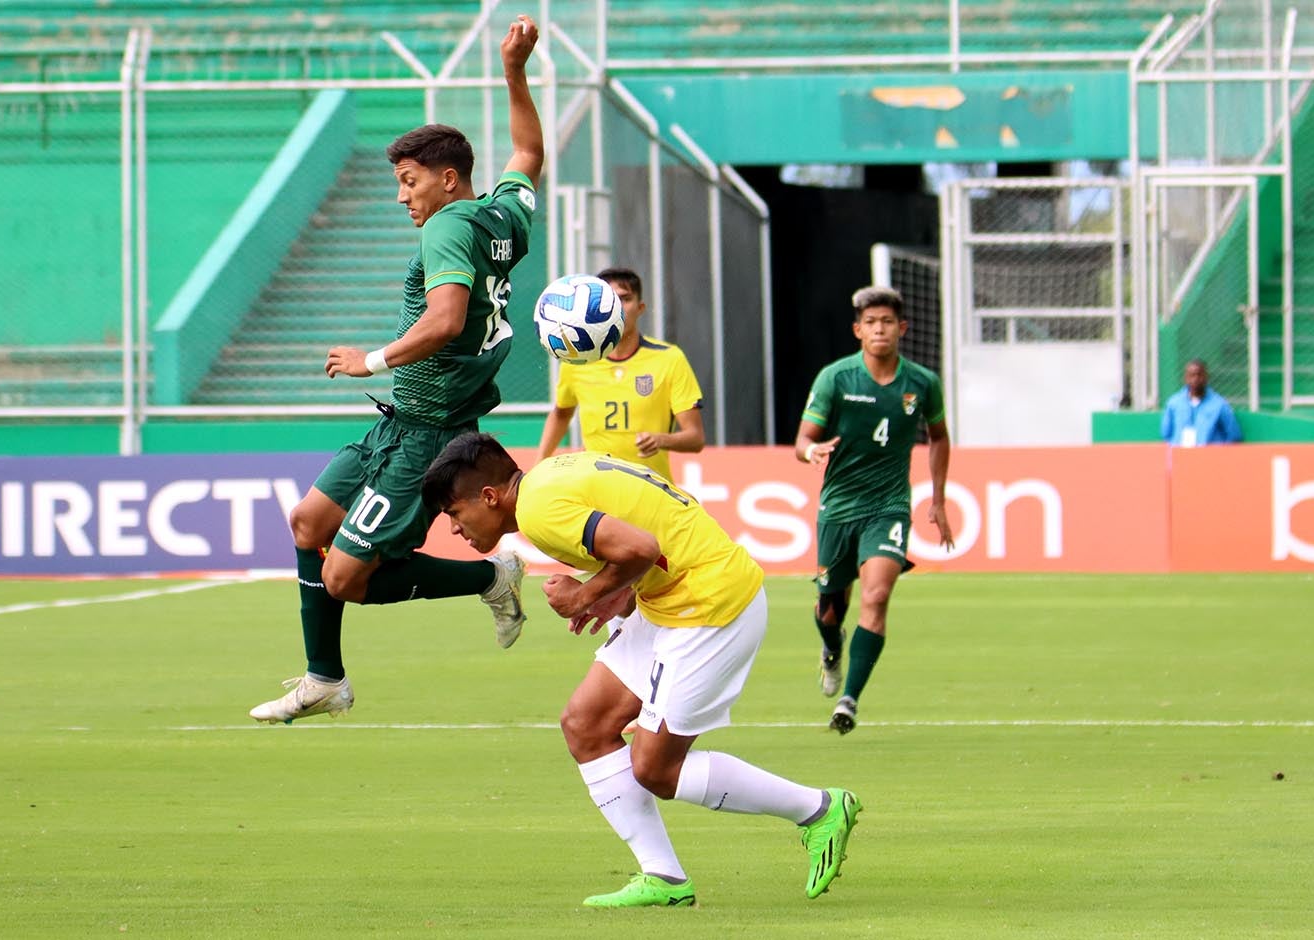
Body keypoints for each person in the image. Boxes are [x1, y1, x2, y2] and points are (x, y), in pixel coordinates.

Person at [249, 15, 544, 725]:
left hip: (427, 432)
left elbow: (444, 320)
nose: (401, 196)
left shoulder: (446, 226)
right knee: (307, 520)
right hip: (404, 421)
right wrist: (513, 68)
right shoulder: (502, 215)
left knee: (345, 577)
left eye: (409, 181)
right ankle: (324, 679)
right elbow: (529, 151)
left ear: (447, 180)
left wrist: (367, 361)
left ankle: (490, 574)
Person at [423, 432, 861, 908]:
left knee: (655, 767)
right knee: (586, 724)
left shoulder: (539, 510)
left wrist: (584, 595)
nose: (453, 529)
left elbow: (642, 546)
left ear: (489, 497)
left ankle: (818, 809)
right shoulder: (549, 476)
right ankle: (664, 878)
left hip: (709, 604)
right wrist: (620, 593)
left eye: (454, 513)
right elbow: (651, 530)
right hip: (669, 598)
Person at [795, 285, 954, 735]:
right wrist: (812, 453)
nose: (879, 329)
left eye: (887, 322)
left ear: (901, 328)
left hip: (889, 507)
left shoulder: (922, 383)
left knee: (877, 595)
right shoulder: (836, 378)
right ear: (857, 331)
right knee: (830, 608)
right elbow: (803, 440)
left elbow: (939, 436)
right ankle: (832, 652)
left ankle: (850, 700)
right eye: (871, 323)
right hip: (839, 507)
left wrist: (938, 499)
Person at [535, 267, 706, 480]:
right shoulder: (577, 361)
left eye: (625, 299)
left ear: (640, 307)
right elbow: (561, 413)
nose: (618, 308)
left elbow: (696, 438)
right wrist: (539, 465)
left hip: (652, 489)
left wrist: (661, 440)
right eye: (610, 301)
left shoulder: (670, 358)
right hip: (598, 490)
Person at [1160, 359, 1243, 447]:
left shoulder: (1219, 404)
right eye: (1191, 375)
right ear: (1185, 378)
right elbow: (1166, 434)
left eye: (1199, 375)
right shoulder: (1174, 403)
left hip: (1209, 458)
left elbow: (1234, 436)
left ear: (1206, 377)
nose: (1196, 379)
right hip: (1181, 456)